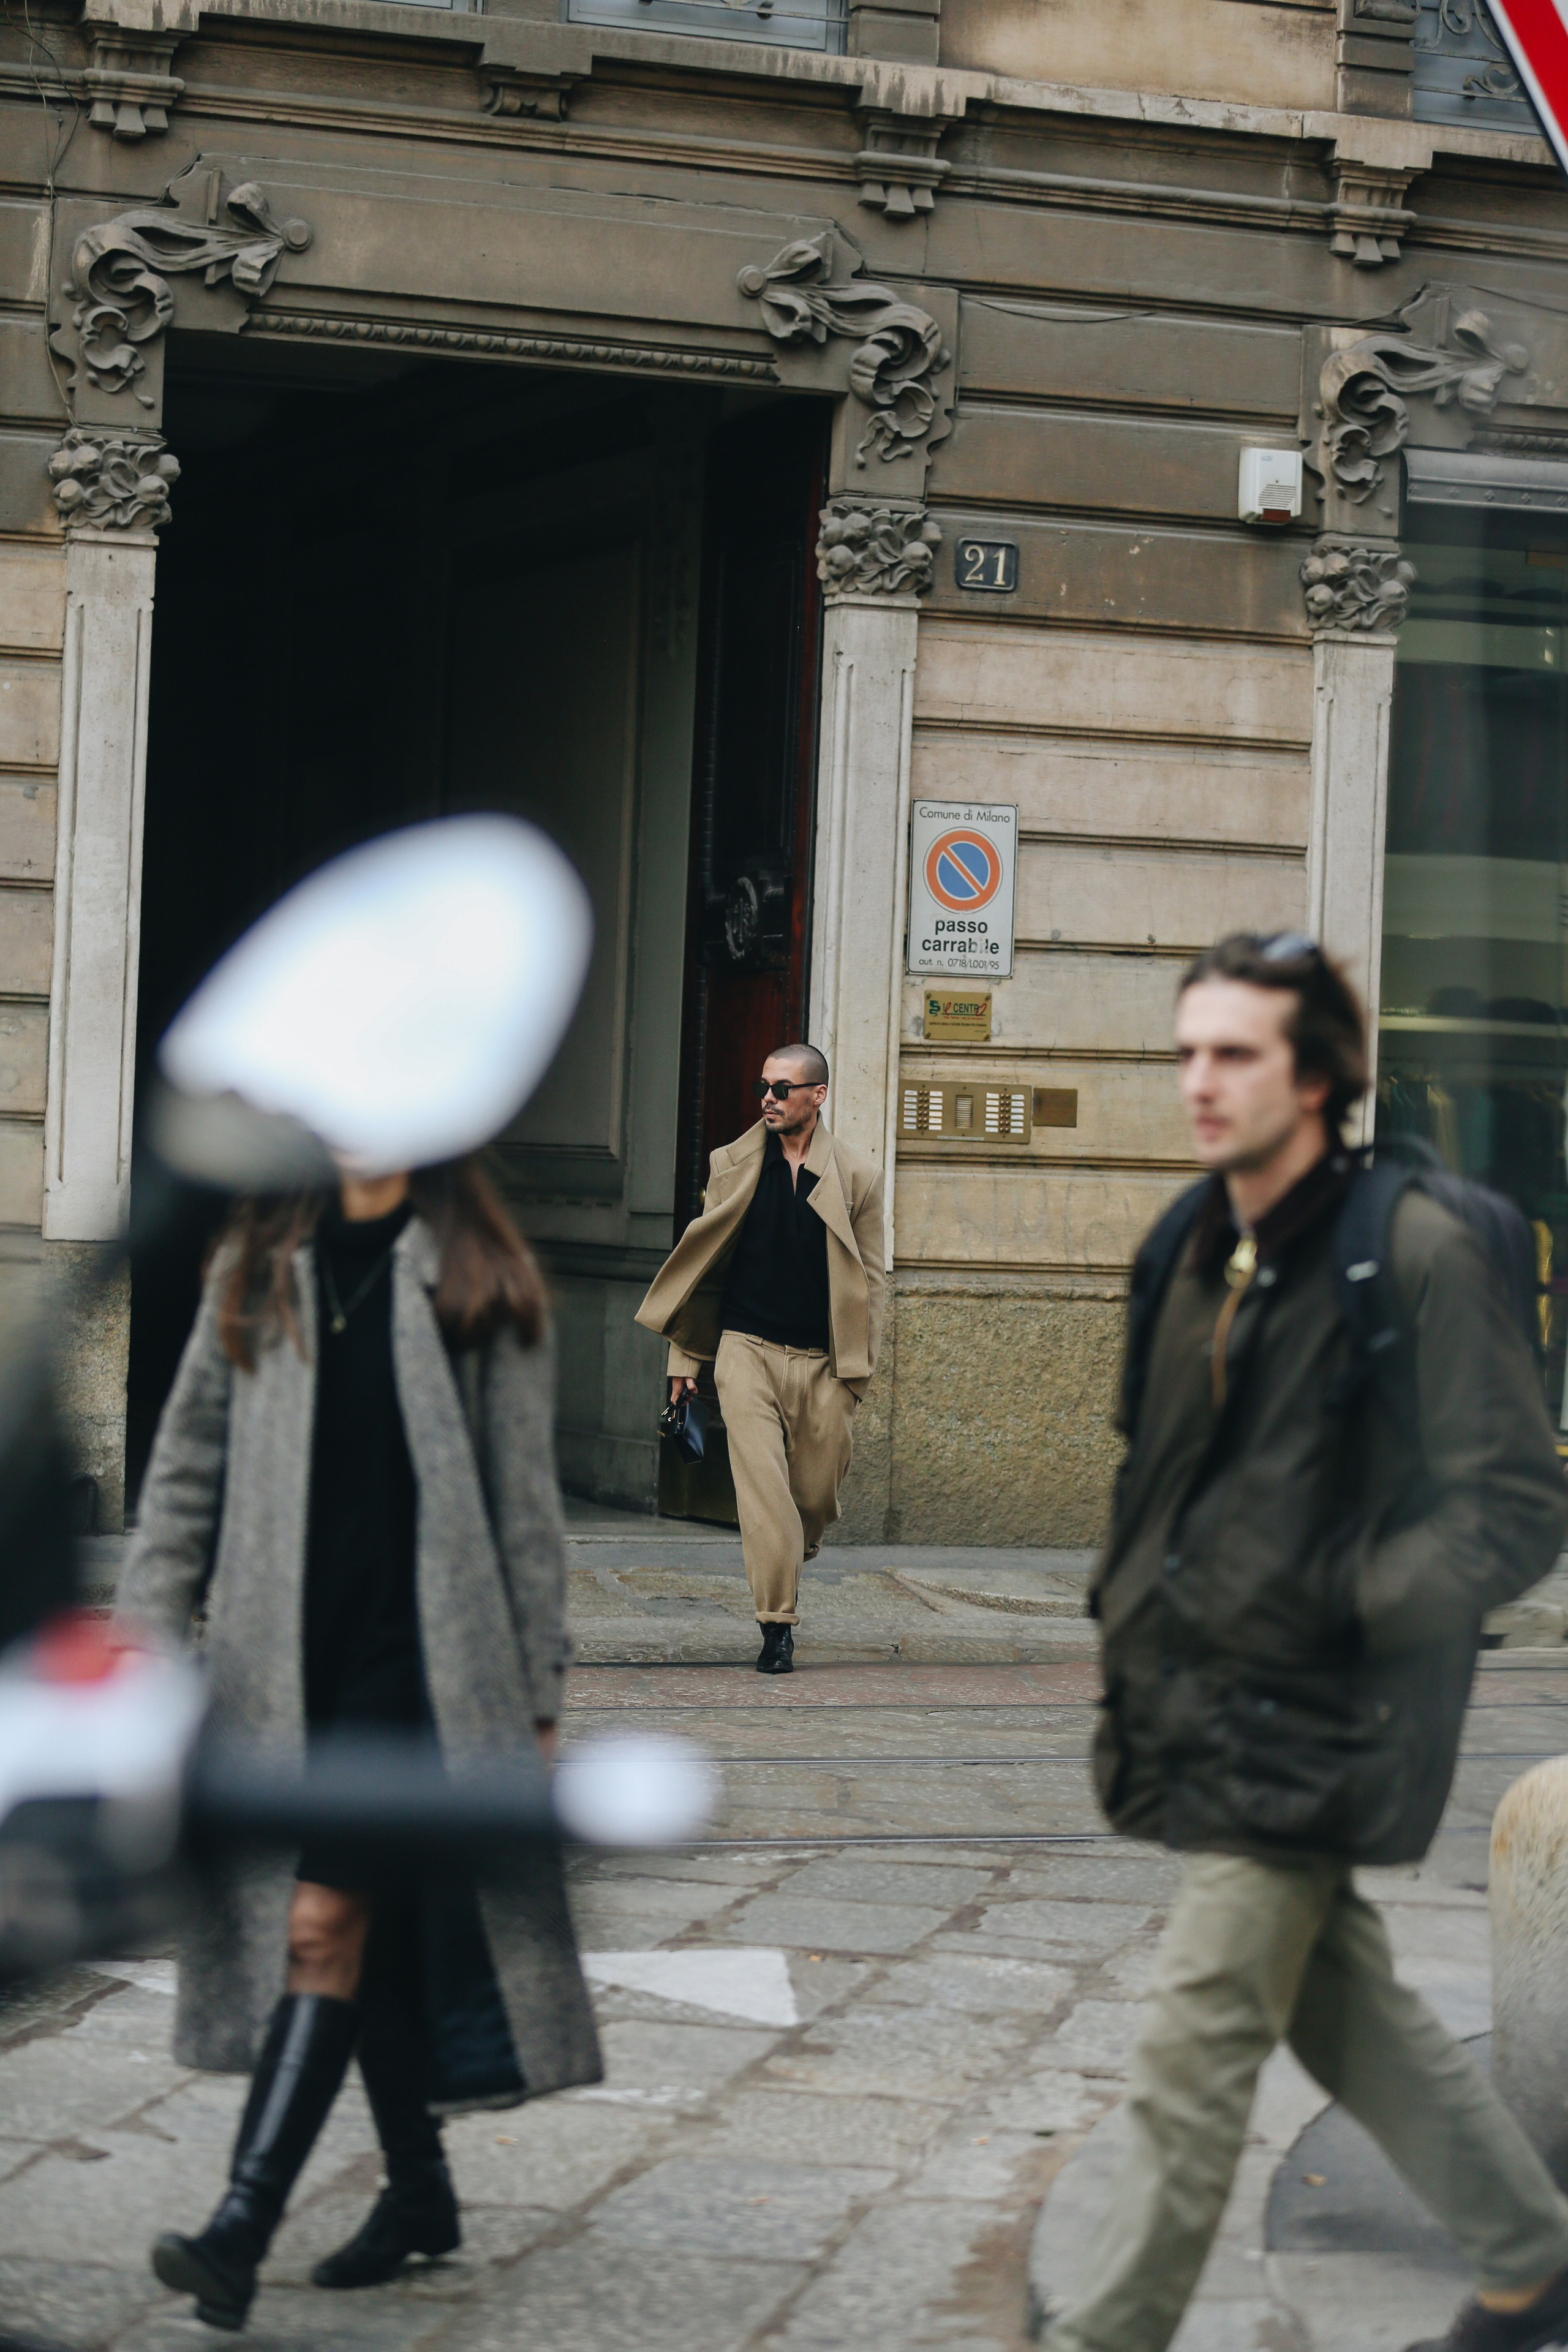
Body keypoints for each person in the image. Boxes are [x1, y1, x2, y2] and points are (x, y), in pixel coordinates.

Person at [1041, 932, 1568, 2352]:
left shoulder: (1413, 1244)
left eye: (1234, 1054)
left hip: (1321, 1714)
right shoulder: (1188, 1239)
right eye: (1187, 1051)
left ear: (1320, 1075)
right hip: (1194, 1693)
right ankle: (1529, 2258)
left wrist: (1342, 1602)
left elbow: (1513, 1508)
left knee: (1189, 2050)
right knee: (1340, 2006)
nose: (1198, 1083)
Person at [117, 1155, 601, 2332]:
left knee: (323, 1919)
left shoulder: (480, 1275)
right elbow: (185, 1473)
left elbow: (526, 1512)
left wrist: (536, 1704)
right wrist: (140, 1651)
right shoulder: (255, 1265)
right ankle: (423, 2194)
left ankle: (240, 2226)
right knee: (367, 1936)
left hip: (428, 1674)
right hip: (284, 1665)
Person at [636, 1044, 884, 1673]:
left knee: (811, 1498)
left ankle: (787, 1554)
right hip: (744, 1352)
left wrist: (858, 1372)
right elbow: (705, 1271)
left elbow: (875, 1279)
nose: (768, 1098)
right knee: (765, 1494)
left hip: (824, 1364)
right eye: (762, 1087)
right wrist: (684, 1367)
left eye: (782, 1087)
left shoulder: (856, 1176)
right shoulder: (732, 1164)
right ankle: (776, 1625)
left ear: (817, 1096)